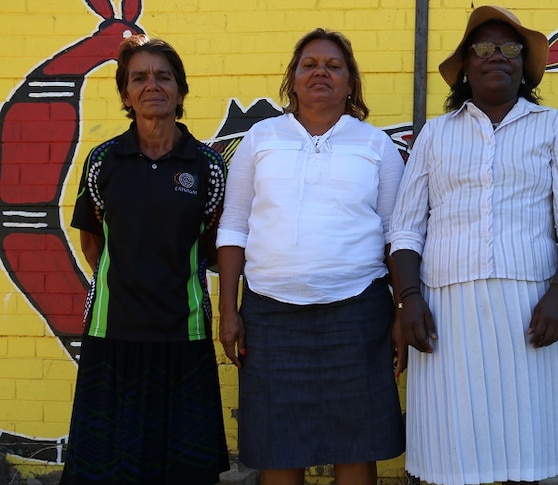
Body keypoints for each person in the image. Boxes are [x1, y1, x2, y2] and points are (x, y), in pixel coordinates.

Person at [389, 6, 558, 485]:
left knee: (532, 449)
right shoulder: (436, 135)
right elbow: (405, 229)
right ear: (464, 64)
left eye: (509, 48)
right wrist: (409, 301)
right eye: (482, 47)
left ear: (524, 64)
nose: (496, 57)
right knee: (454, 450)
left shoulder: (552, 127)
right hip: (445, 313)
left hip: (533, 309)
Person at [216, 28, 406, 485]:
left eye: (333, 66)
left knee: (356, 443)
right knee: (278, 446)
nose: (321, 72)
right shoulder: (261, 138)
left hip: (358, 314)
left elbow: (398, 236)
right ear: (293, 79)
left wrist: (401, 311)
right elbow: (233, 227)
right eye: (310, 64)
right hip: (269, 313)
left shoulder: (375, 145)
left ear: (350, 82)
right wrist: (228, 308)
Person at [61, 35, 230, 485]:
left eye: (163, 76)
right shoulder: (103, 161)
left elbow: (214, 246)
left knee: (184, 470)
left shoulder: (208, 166)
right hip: (112, 332)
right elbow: (93, 242)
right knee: (108, 468)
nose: (151, 85)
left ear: (180, 90)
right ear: (124, 94)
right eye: (139, 77)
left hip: (184, 333)